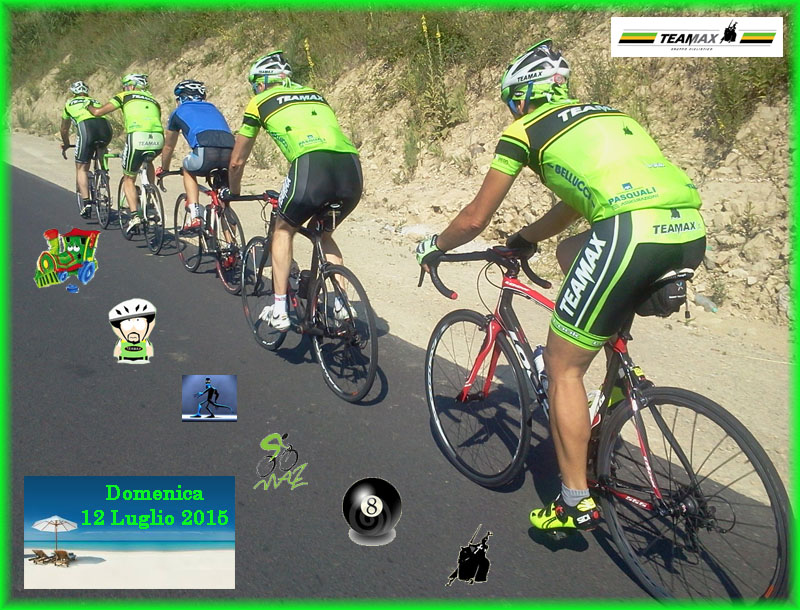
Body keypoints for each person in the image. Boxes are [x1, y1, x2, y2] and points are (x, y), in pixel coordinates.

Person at [415, 39, 706, 534]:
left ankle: (574, 501)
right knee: (570, 253)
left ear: (522, 97)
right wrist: (527, 239)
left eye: (511, 101)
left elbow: (475, 217)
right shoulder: (609, 114)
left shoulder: (525, 130)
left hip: (627, 235)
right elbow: (575, 201)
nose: (512, 110)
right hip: (688, 231)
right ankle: (614, 386)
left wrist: (434, 246)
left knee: (562, 367)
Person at [227, 51, 363, 331]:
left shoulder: (259, 102)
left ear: (262, 83)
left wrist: (235, 190)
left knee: (283, 230)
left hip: (311, 165)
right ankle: (342, 305)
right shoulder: (315, 95)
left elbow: (237, 160)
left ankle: (279, 309)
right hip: (351, 167)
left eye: (255, 85)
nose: (255, 90)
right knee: (323, 233)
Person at [89, 73, 163, 234]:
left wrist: (89, 107)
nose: (124, 88)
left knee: (129, 178)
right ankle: (149, 196)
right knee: (148, 161)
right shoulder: (153, 100)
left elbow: (98, 112)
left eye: (125, 86)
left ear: (131, 85)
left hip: (137, 137)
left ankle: (135, 215)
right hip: (158, 138)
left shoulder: (125, 96)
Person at [157, 80, 235, 230]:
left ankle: (195, 214)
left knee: (187, 169)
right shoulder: (213, 108)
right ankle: (231, 243)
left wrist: (164, 168)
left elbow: (168, 146)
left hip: (205, 153)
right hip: (230, 153)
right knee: (224, 204)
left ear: (181, 98)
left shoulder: (178, 112)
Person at [59, 81, 113, 217]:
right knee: (102, 147)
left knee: (81, 168)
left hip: (87, 128)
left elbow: (64, 129)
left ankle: (87, 203)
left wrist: (66, 143)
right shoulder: (94, 101)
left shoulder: (69, 104)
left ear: (73, 93)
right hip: (105, 128)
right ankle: (104, 174)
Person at [108, 298, 156, 363]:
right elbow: (117, 350)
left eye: (139, 325)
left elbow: (149, 350)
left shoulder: (145, 341)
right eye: (127, 325)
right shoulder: (122, 342)